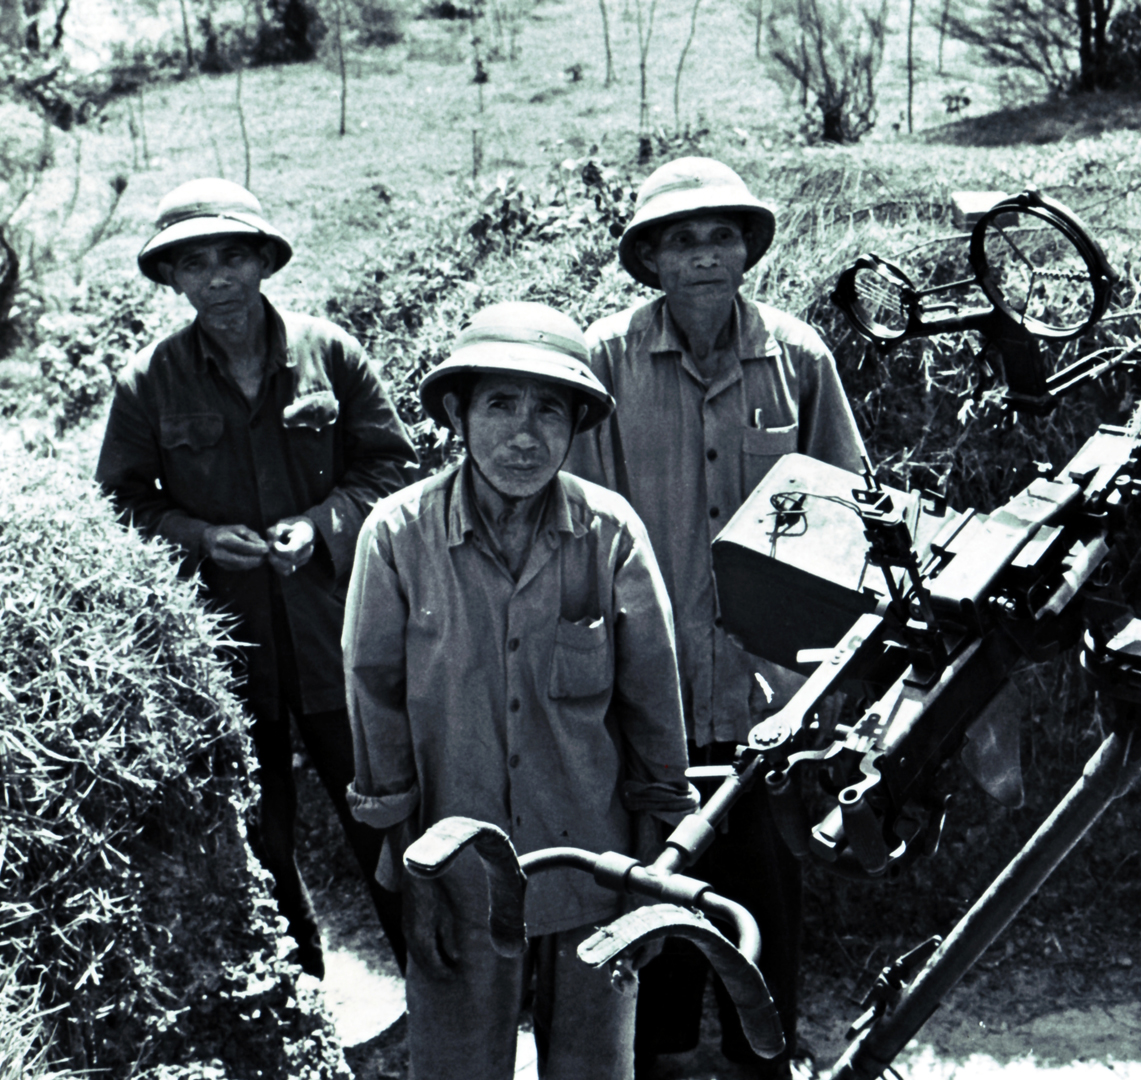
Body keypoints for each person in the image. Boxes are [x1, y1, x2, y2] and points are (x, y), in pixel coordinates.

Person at [343, 301, 699, 1080]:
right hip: (454, 871)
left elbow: (652, 712)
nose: (525, 435)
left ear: (575, 428)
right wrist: (413, 877)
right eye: (500, 404)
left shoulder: (610, 534)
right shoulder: (398, 535)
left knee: (595, 1069)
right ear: (456, 416)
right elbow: (376, 710)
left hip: (594, 868)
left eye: (549, 411)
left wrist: (652, 872)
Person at [569, 156, 868, 1079]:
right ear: (651, 258)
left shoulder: (798, 357)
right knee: (654, 863)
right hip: (646, 669)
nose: (705, 254)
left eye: (722, 236)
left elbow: (848, 505)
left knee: (768, 878)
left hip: (765, 679)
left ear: (748, 250)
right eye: (683, 239)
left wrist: (815, 667)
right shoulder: (606, 359)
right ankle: (659, 1047)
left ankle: (762, 1046)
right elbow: (574, 518)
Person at [96, 177, 418, 978]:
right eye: (193, 262)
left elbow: (391, 469)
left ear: (263, 262)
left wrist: (321, 524)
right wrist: (201, 538)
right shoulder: (147, 383)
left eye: (232, 256)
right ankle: (304, 1000)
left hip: (342, 636)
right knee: (263, 832)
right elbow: (120, 505)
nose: (216, 278)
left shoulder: (330, 352)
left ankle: (437, 990)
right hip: (225, 649)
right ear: (170, 278)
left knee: (384, 812)